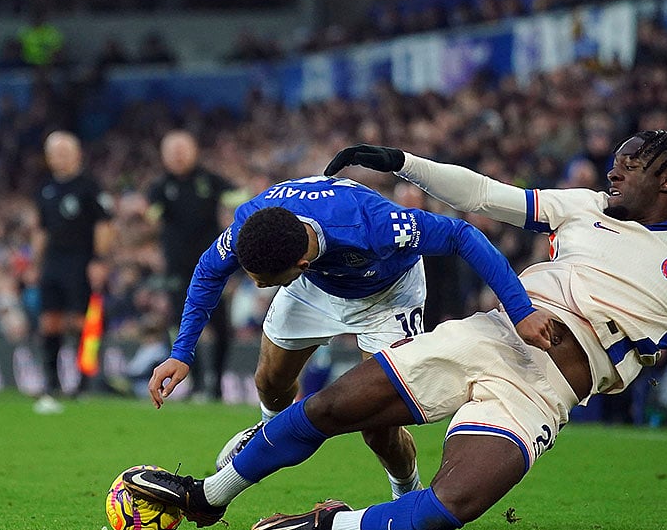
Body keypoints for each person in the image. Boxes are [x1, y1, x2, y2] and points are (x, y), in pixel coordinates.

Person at [124, 131, 667, 530]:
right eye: (617, 158)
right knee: (334, 406)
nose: (615, 168)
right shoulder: (583, 207)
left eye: (631, 163)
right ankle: (209, 495)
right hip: (491, 334)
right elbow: (483, 197)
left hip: (543, 392)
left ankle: (331, 524)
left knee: (447, 509)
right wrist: (404, 163)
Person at [145, 173, 542, 501]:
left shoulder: (377, 226)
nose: (256, 287)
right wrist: (182, 352)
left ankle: (406, 493)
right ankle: (268, 431)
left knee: (379, 426)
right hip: (314, 288)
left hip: (388, 296)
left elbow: (461, 235)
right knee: (269, 380)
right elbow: (208, 271)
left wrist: (520, 311)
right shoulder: (254, 221)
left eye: (264, 283)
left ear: (298, 264)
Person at [148, 130, 238, 401]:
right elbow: (150, 220)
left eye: (182, 149)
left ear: (194, 151)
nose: (178, 155)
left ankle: (217, 383)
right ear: (164, 156)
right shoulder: (160, 187)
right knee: (182, 324)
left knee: (221, 326)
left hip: (214, 267)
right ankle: (196, 383)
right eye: (172, 150)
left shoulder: (210, 181)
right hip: (178, 269)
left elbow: (240, 198)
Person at [31, 131, 113, 414]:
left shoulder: (89, 186)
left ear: (77, 154)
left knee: (83, 323)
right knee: (49, 322)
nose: (59, 157)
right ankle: (51, 382)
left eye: (65, 151)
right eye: (54, 152)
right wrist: (35, 262)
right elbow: (41, 229)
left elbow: (103, 225)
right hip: (53, 261)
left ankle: (83, 382)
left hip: (81, 260)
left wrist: (99, 260)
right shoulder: (45, 188)